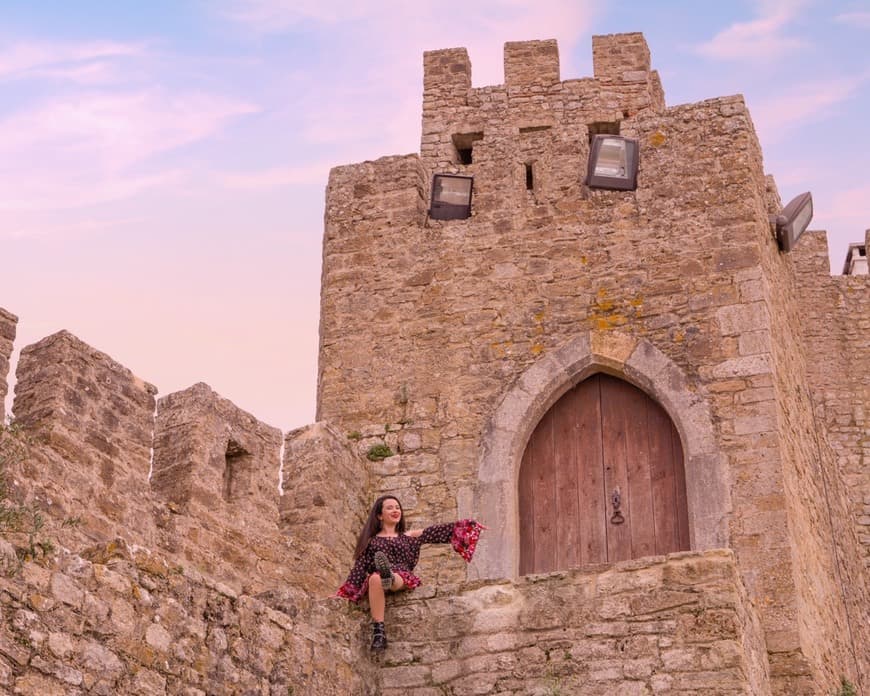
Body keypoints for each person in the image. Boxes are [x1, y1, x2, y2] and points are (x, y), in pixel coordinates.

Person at [336, 494, 485, 652]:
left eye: (397, 507)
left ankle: (390, 578)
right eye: (390, 508)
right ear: (379, 515)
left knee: (392, 577)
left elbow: (437, 532)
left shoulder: (409, 536)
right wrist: (343, 593)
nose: (395, 510)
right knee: (374, 578)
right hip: (378, 579)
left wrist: (470, 526)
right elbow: (359, 569)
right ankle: (379, 632)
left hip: (402, 576)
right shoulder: (371, 542)